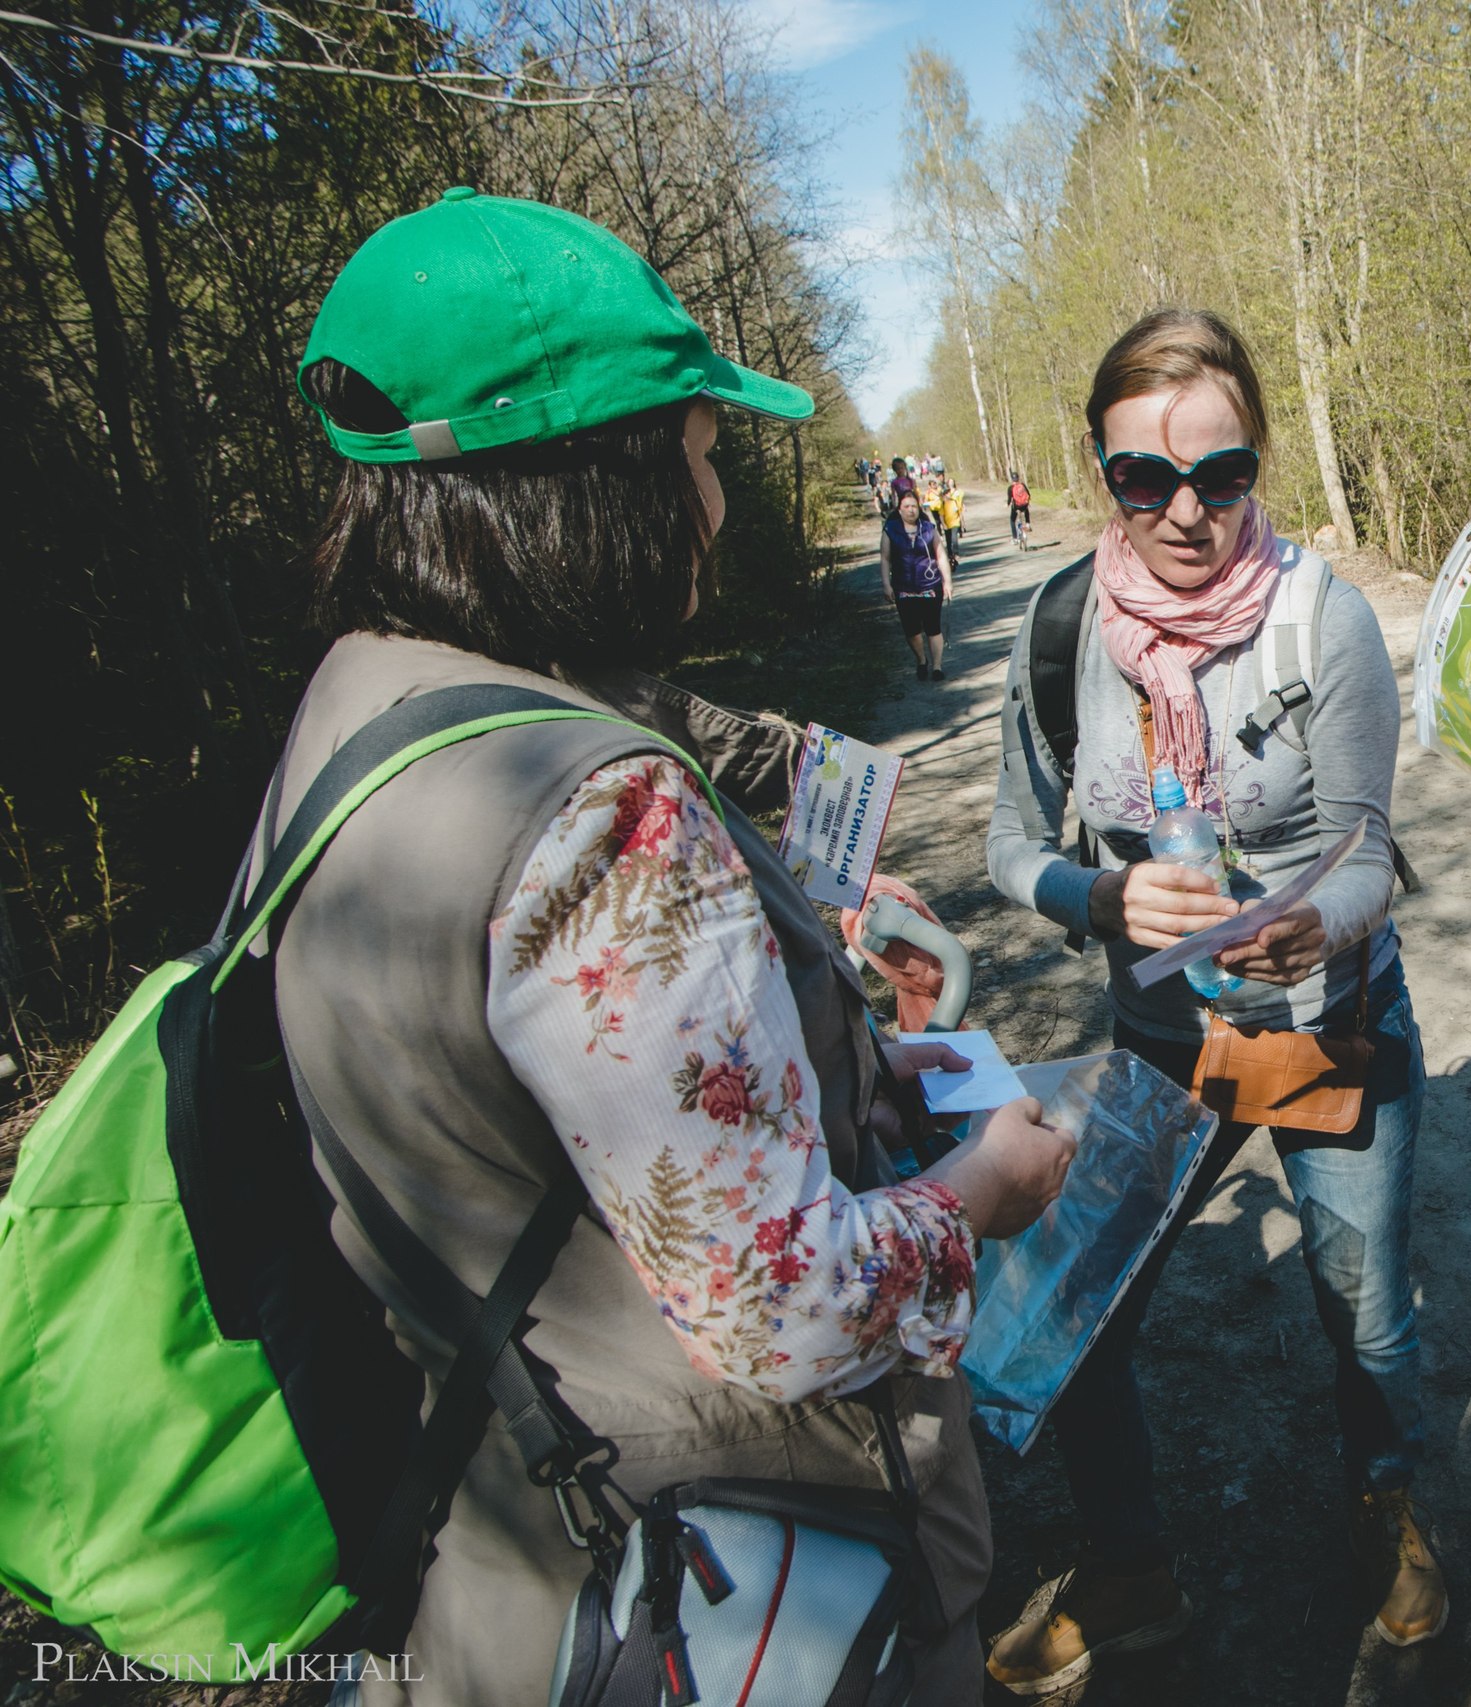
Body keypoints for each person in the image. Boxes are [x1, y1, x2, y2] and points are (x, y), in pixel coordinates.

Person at [273, 189, 1077, 1704]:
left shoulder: (354, 718)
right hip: (742, 1580)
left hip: (506, 1541)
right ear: (600, 475)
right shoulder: (600, 813)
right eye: (703, 449)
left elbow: (543, 1111)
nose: (714, 497)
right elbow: (782, 1303)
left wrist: (837, 1054)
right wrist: (984, 1191)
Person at [983, 308, 1441, 1691]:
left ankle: (1385, 1501)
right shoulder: (1064, 625)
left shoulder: (1325, 615)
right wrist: (1095, 899)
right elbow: (1013, 844)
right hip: (1160, 1039)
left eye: (1221, 474)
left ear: (1258, 465)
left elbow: (1368, 845)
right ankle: (1131, 1567)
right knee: (1074, 1311)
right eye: (1144, 478)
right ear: (1102, 470)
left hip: (1319, 1023)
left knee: (1362, 1301)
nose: (1186, 511)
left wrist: (1312, 917)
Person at [882, 486, 951, 681]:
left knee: (933, 628)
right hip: (904, 588)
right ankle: (921, 660)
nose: (911, 509)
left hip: (930, 585)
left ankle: (937, 667)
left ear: (919, 508)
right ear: (899, 509)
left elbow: (941, 556)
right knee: (912, 630)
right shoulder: (890, 531)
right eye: (906, 506)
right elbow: (885, 559)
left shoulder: (929, 529)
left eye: (914, 506)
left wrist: (947, 582)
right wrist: (886, 585)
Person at [938, 475, 966, 560]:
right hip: (947, 524)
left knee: (954, 538)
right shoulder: (942, 504)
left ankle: (956, 553)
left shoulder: (954, 501)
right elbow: (941, 515)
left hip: (955, 522)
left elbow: (959, 512)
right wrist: (943, 524)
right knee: (948, 540)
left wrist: (962, 523)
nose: (948, 494)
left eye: (949, 492)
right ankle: (950, 553)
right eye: (947, 493)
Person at [1009, 471, 1033, 547]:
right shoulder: (1022, 485)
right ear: (1018, 478)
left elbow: (1009, 499)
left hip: (1016, 506)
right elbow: (1028, 494)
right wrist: (1027, 502)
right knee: (1026, 509)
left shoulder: (1010, 488)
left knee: (1012, 520)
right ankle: (1028, 524)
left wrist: (1007, 504)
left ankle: (1015, 538)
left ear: (1012, 479)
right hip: (1024, 505)